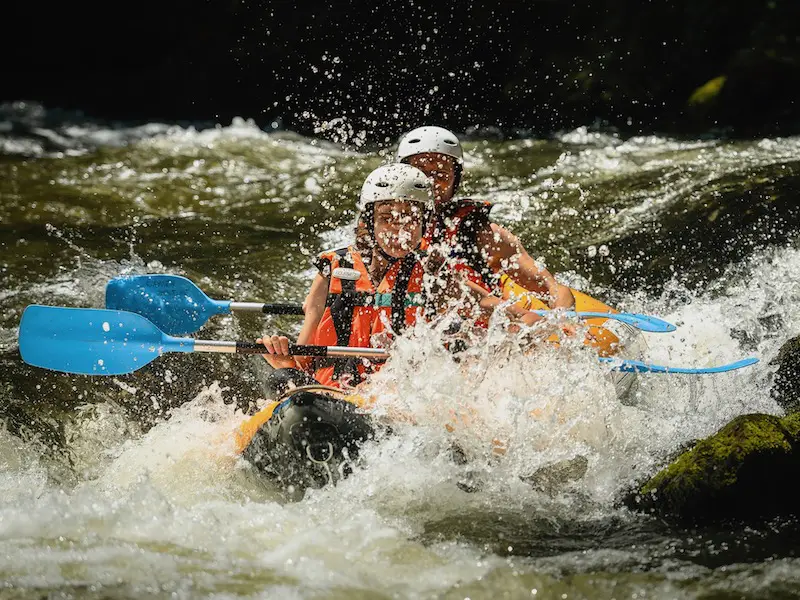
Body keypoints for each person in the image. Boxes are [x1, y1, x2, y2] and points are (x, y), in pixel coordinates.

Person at [395, 126, 575, 310]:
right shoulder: (385, 230)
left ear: (454, 181)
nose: (430, 182)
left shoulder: (480, 234)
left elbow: (554, 289)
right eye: (420, 173)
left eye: (441, 175)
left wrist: (563, 317)